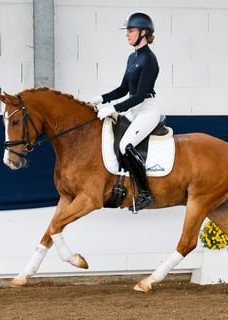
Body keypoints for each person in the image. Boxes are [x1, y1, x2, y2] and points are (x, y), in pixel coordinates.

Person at [89, 12, 160, 211]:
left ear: (144, 32)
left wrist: (113, 108)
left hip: (146, 110)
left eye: (131, 31)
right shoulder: (132, 57)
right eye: (127, 31)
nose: (127, 35)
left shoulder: (149, 60)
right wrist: (102, 99)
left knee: (126, 145)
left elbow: (140, 95)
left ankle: (145, 193)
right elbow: (123, 89)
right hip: (132, 110)